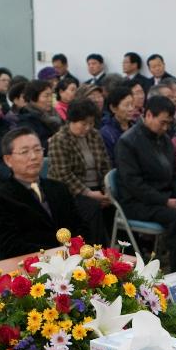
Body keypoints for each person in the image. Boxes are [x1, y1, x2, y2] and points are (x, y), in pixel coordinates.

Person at [115, 95, 176, 271]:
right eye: (163, 123)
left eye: (169, 123)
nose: (166, 128)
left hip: (164, 197)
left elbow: (175, 175)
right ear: (149, 115)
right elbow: (134, 184)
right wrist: (165, 201)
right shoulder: (128, 142)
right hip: (138, 202)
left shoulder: (164, 139)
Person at [0, 128, 86, 257]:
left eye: (37, 150)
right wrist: (56, 255)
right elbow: (10, 246)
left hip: (73, 260)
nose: (33, 157)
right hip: (32, 267)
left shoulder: (59, 188)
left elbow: (81, 227)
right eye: (24, 152)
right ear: (8, 160)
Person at [45, 98, 112, 244]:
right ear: (71, 121)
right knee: (92, 208)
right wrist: (89, 193)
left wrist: (106, 191)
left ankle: (122, 250)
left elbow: (105, 164)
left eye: (91, 123)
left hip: (97, 189)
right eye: (83, 124)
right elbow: (64, 175)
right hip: (71, 192)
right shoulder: (60, 140)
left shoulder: (95, 135)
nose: (88, 127)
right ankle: (97, 251)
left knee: (115, 205)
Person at [100, 84, 139, 162]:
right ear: (113, 108)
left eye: (132, 104)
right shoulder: (106, 133)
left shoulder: (137, 128)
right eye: (127, 105)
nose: (131, 109)